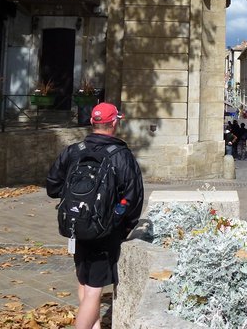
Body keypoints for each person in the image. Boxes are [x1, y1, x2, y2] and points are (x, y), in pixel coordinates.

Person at [46, 103, 144, 329]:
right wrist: (123, 226)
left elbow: (52, 187)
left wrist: (77, 202)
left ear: (92, 122)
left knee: (84, 280)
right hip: (105, 230)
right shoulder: (122, 155)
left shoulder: (74, 150)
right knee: (93, 291)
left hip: (76, 225)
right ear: (114, 123)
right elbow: (133, 198)